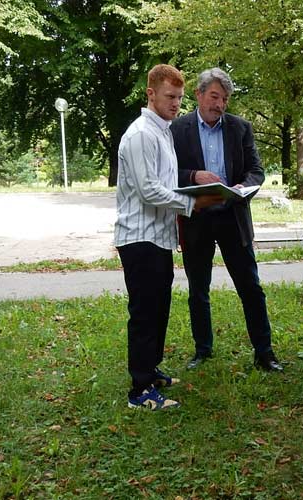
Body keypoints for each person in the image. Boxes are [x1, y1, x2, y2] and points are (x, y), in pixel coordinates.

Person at [115, 64, 223, 410]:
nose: (176, 103)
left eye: (179, 97)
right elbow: (148, 190)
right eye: (169, 96)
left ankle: (151, 370)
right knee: (145, 312)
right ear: (151, 94)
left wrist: (197, 192)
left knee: (159, 307)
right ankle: (140, 390)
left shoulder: (163, 132)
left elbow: (166, 182)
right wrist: (192, 203)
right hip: (139, 237)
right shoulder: (140, 134)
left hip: (159, 236)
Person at [172, 67, 283, 372]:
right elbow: (167, 172)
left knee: (251, 287)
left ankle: (264, 353)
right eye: (214, 96)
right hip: (197, 217)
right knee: (198, 289)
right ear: (199, 95)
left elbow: (256, 171)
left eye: (224, 99)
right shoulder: (177, 129)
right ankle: (202, 350)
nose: (219, 104)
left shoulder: (240, 128)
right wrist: (194, 175)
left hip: (233, 216)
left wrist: (241, 187)